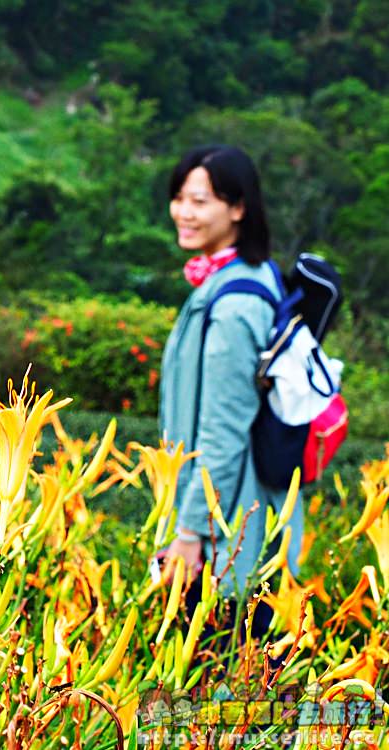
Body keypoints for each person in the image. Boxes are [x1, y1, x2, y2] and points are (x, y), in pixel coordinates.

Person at [158, 145, 303, 629]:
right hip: (231, 517)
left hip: (226, 533)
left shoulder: (236, 303)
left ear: (238, 208)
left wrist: (191, 529)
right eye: (180, 198)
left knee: (209, 690)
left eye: (200, 201)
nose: (184, 212)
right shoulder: (243, 278)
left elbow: (222, 429)